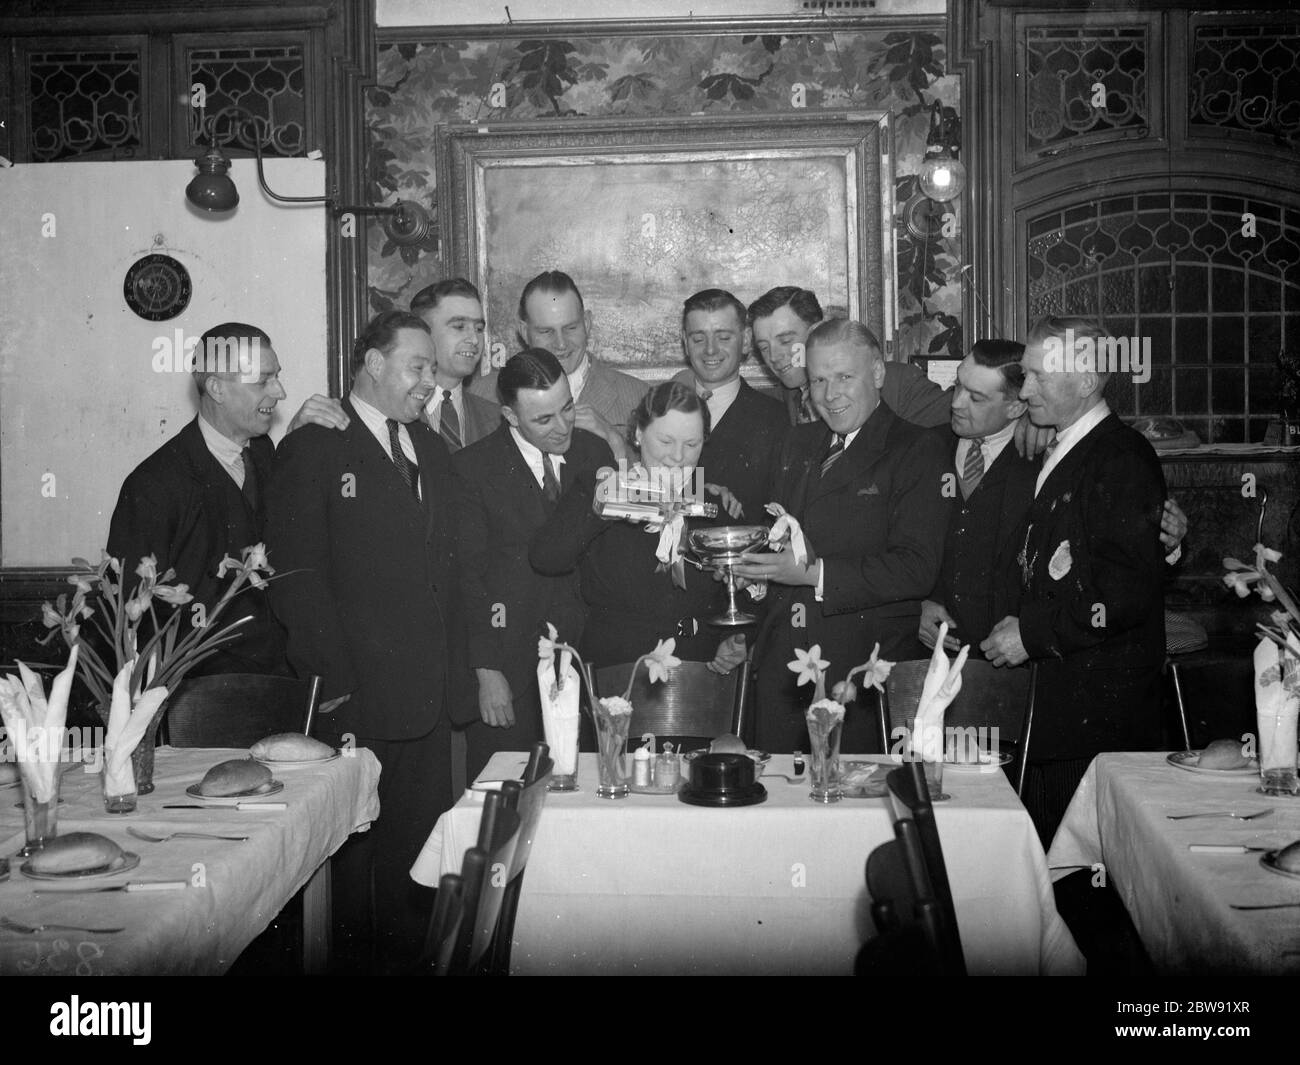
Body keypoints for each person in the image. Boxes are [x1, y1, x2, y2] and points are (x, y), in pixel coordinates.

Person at [265, 309, 467, 974]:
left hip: (428, 707)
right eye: (418, 366)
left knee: (419, 870)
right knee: (355, 884)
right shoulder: (313, 447)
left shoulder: (429, 448)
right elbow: (297, 582)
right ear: (373, 365)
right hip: (357, 705)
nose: (428, 382)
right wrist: (336, 690)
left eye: (434, 370)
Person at [980, 316, 1168, 843]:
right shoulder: (1069, 445)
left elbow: (1123, 594)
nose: (1026, 388)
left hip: (1093, 728)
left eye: (1039, 376)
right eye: (1026, 374)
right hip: (1058, 717)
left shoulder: (1121, 458)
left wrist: (1032, 634)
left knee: (1078, 888)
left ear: (1087, 381)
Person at [733, 318, 952, 754]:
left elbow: (916, 569)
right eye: (818, 380)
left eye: (844, 377)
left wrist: (814, 575)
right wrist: (752, 571)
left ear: (877, 374)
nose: (830, 395)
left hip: (861, 671)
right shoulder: (796, 443)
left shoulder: (916, 449)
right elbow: (780, 534)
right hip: (783, 664)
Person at [922, 339, 1190, 657]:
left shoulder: (1051, 459)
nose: (956, 403)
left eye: (976, 397)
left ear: (1017, 406)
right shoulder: (926, 450)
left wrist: (1165, 543)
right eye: (957, 387)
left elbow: (1114, 568)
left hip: (1023, 658)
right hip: (940, 649)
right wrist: (921, 603)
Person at [453, 348, 614, 783]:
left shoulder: (594, 452)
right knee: (505, 803)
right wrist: (487, 673)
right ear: (509, 415)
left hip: (584, 663)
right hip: (510, 668)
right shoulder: (470, 470)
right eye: (544, 420)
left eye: (567, 409)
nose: (563, 428)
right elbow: (466, 579)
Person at [108, 322, 297, 675]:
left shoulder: (262, 454)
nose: (280, 391)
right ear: (216, 388)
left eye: (277, 377)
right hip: (197, 697)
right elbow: (133, 617)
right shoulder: (154, 484)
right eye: (263, 381)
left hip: (276, 682)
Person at [530, 381, 747, 675]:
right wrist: (600, 510)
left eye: (692, 444)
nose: (678, 457)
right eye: (666, 442)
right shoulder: (601, 489)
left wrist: (732, 641)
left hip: (699, 672)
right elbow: (546, 557)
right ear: (638, 433)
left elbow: (743, 592)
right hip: (618, 672)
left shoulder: (715, 504)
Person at [470, 271, 648, 460]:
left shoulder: (639, 397)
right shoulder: (482, 395)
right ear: (524, 331)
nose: (561, 344)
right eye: (546, 331)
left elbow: (662, 482)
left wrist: (615, 441)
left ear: (587, 323)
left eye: (571, 328)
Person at [748, 286, 954, 430]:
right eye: (764, 347)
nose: (774, 357)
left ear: (816, 331)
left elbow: (972, 420)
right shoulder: (775, 405)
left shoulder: (898, 383)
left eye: (785, 341)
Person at [676, 288, 787, 521]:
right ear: (686, 343)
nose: (710, 350)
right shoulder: (663, 411)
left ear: (746, 341)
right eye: (698, 339)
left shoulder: (776, 419)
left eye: (723, 337)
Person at [410, 278, 501, 451]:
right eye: (459, 327)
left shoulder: (497, 420)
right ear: (423, 334)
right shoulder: (392, 414)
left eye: (479, 329)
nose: (474, 339)